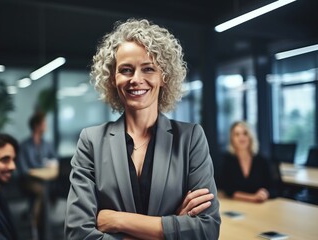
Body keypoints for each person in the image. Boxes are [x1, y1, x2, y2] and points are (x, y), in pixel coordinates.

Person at [65, 18, 220, 239]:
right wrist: (172, 227)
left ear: (163, 77)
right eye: (126, 70)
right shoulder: (91, 141)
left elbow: (207, 230)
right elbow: (77, 233)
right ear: (112, 78)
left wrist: (118, 220)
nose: (136, 80)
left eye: (148, 69)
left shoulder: (191, 138)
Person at [17, 111, 57, 239]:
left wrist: (42, 169)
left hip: (45, 181)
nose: (46, 125)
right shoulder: (24, 146)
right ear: (36, 126)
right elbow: (24, 171)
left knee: (45, 189)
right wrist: (42, 171)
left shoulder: (47, 144)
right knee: (41, 191)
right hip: (27, 182)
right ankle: (37, 222)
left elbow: (54, 164)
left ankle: (33, 217)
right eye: (43, 123)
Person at [219, 121, 275, 203]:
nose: (241, 137)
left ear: (250, 137)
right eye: (237, 134)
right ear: (232, 139)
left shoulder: (262, 160)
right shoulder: (227, 161)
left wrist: (265, 193)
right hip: (236, 205)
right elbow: (227, 190)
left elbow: (273, 187)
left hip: (260, 206)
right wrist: (252, 198)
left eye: (245, 133)